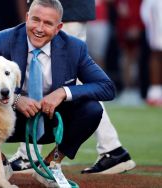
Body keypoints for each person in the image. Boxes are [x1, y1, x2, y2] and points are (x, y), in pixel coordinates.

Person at [0, 0, 115, 185]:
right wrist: (14, 99)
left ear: (59, 27)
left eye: (47, 23)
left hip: (52, 120)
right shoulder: (4, 40)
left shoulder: (74, 47)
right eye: (35, 20)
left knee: (92, 109)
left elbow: (107, 87)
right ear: (27, 17)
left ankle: (50, 165)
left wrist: (62, 92)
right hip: (8, 120)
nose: (39, 28)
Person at [9, 0, 136, 175]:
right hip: (66, 10)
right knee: (72, 82)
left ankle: (29, 155)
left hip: (66, 10)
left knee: (60, 77)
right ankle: (112, 148)